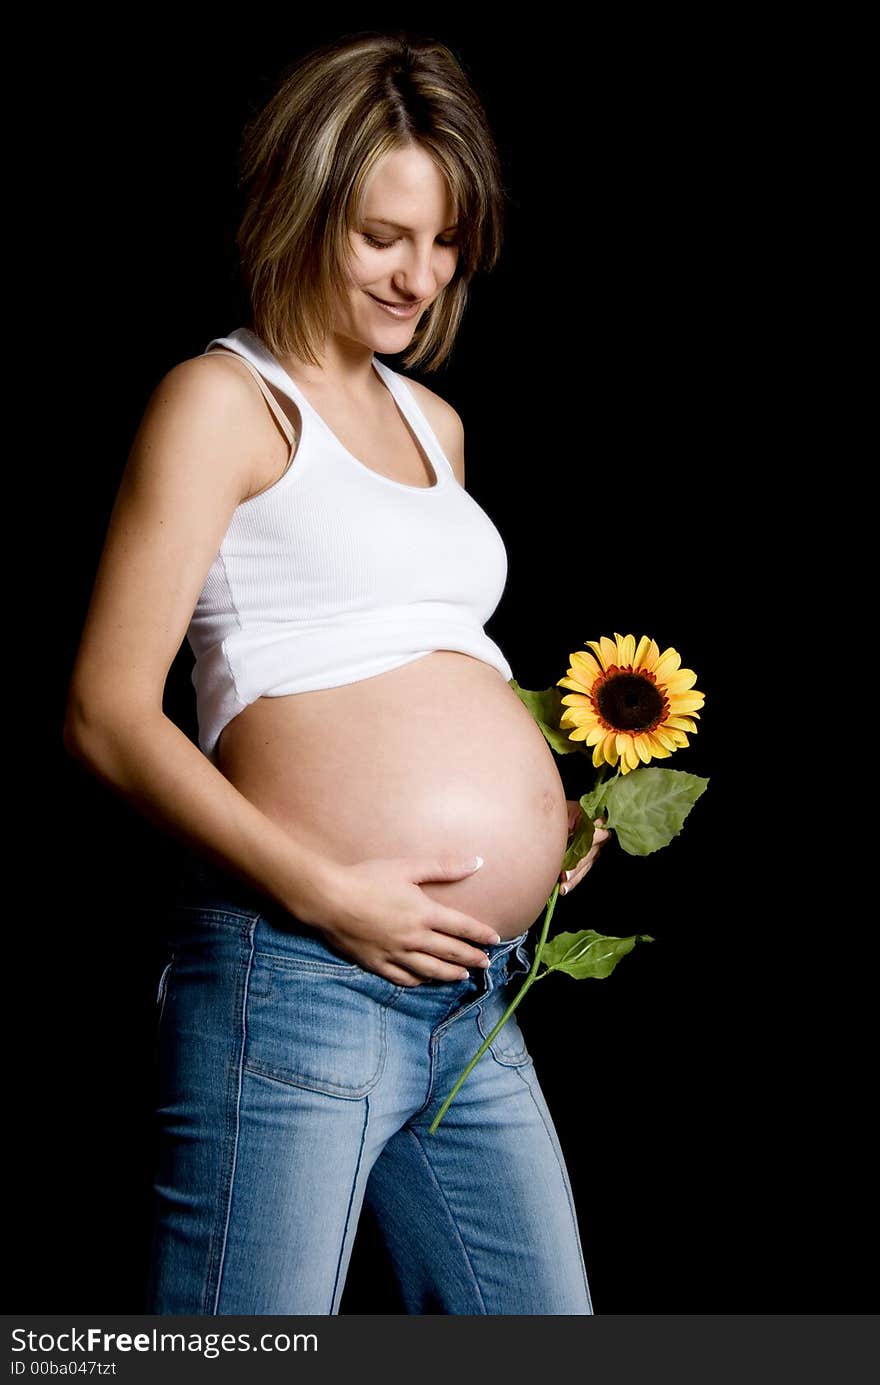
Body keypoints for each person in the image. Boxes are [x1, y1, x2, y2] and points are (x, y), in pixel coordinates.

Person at [63, 30, 610, 1316]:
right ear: (306, 209)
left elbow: (416, 643)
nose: (420, 275)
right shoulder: (221, 401)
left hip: (467, 990)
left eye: (444, 241)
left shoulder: (437, 421)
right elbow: (103, 713)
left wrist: (537, 810)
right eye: (383, 237)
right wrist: (330, 888)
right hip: (302, 970)